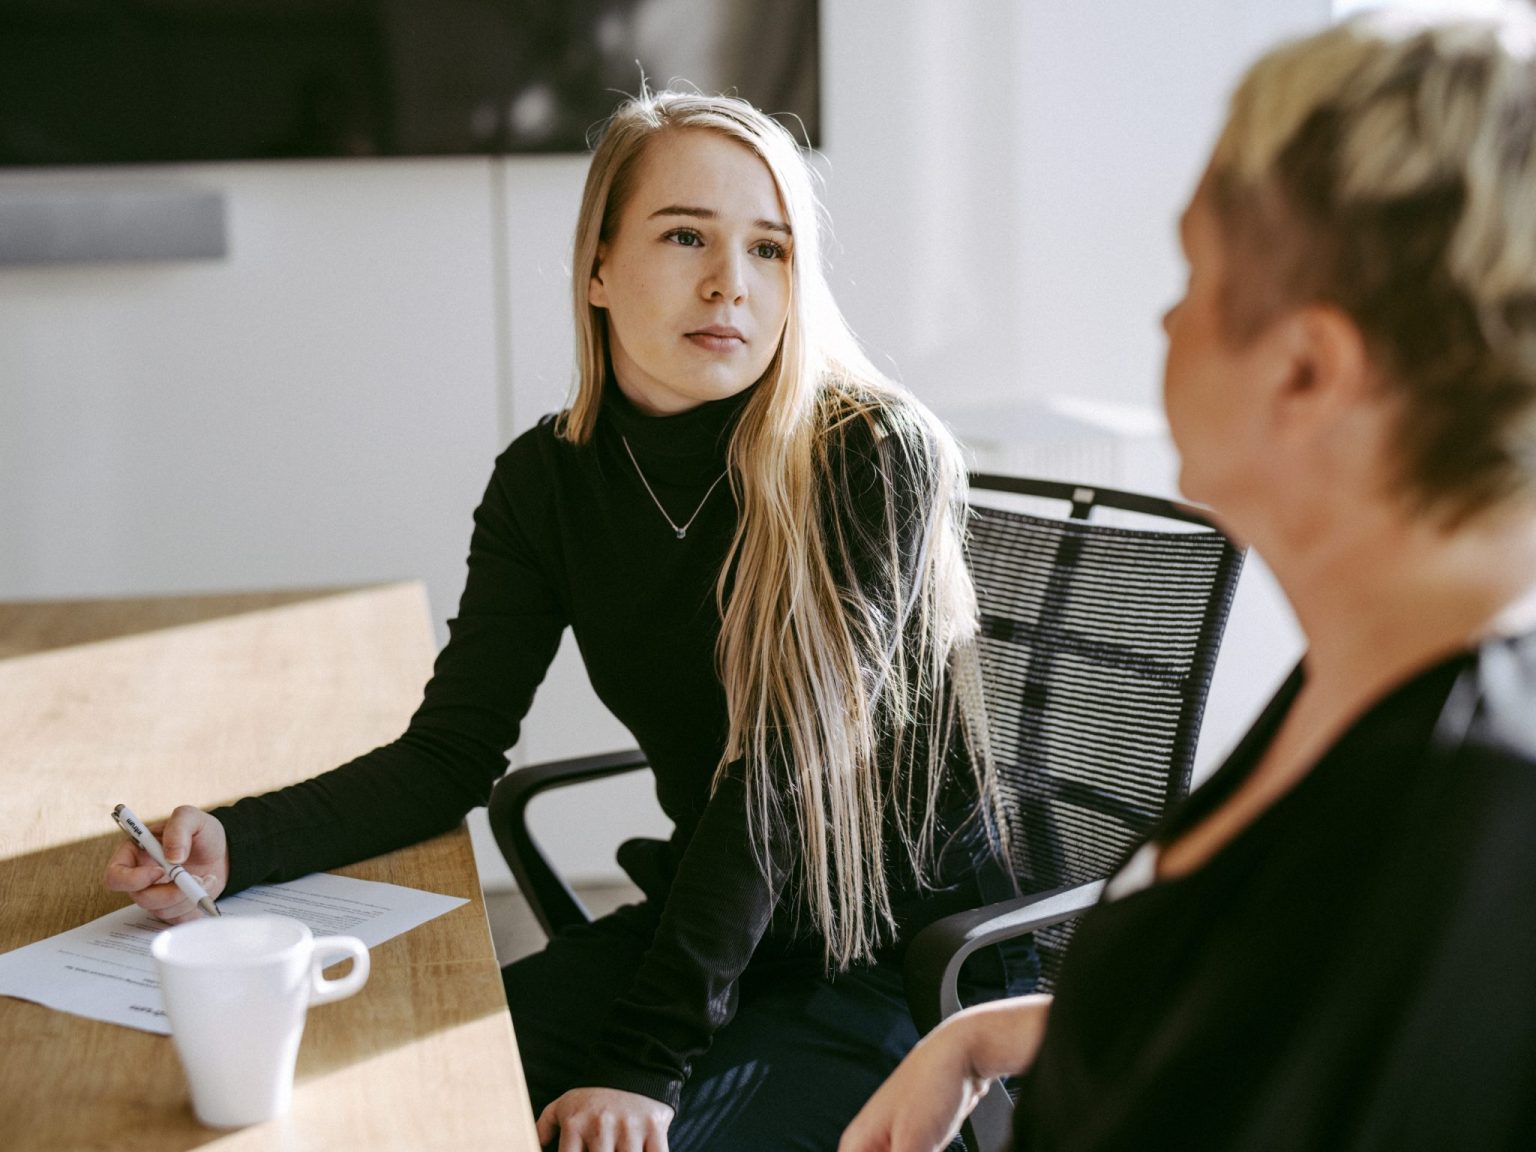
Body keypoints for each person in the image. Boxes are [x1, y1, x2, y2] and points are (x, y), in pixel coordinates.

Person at [104, 89, 1028, 1151]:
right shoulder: (548, 481)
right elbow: (451, 753)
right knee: (403, 1104)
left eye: (770, 250)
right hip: (713, 923)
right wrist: (234, 842)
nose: (730, 281)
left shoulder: (868, 455)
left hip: (891, 965)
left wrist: (645, 1058)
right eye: (686, 235)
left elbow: (782, 779)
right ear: (595, 266)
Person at [843, 10, 1536, 1152]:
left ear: (1307, 371)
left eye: (1196, 276)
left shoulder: (1460, 819)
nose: (1164, 319)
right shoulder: (1371, 677)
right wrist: (983, 1037)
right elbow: (1267, 1008)